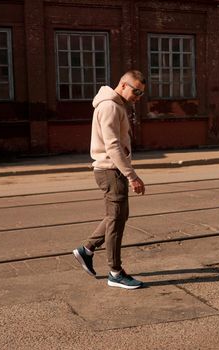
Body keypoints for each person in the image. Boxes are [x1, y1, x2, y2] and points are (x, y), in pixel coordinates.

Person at [73, 70, 146, 289]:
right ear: (123, 85)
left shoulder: (116, 105)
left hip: (114, 169)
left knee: (118, 216)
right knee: (116, 221)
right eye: (136, 91)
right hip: (110, 170)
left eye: (141, 94)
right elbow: (112, 145)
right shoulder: (110, 106)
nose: (138, 97)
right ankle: (115, 272)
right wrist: (131, 175)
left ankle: (86, 250)